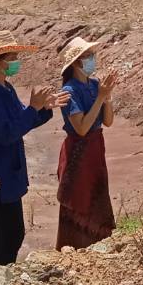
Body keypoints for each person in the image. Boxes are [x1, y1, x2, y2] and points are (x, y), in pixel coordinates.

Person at [0, 30, 68, 265]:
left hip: (7, 171)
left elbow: (20, 119)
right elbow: (7, 133)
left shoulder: (5, 88)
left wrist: (41, 109)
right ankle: (0, 275)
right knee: (13, 233)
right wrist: (34, 109)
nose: (15, 63)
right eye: (11, 58)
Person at [56, 35, 119, 249]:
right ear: (75, 63)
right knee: (79, 198)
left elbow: (108, 121)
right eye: (87, 56)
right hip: (78, 152)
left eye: (93, 55)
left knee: (97, 193)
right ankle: (75, 246)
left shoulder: (94, 85)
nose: (92, 59)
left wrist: (107, 96)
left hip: (95, 149)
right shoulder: (68, 91)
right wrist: (101, 97)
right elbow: (81, 128)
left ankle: (99, 242)